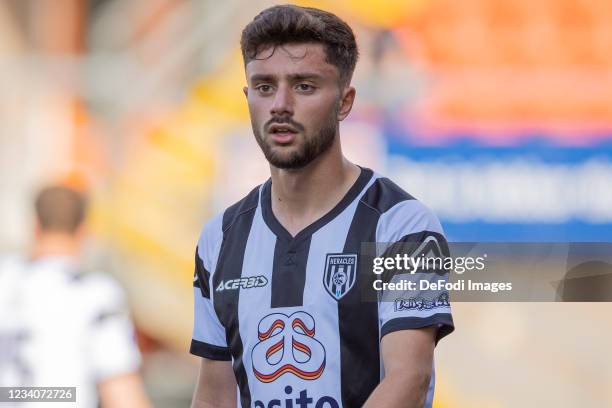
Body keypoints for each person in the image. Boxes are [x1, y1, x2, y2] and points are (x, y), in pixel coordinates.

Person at [190, 5, 454, 408]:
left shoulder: (403, 227)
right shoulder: (220, 238)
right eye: (264, 87)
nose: (280, 104)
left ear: (345, 102)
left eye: (304, 86)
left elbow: (409, 380)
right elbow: (214, 393)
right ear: (247, 98)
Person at [0, 185, 152, 408]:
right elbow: (121, 392)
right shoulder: (96, 294)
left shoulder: (6, 277)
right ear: (83, 231)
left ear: (35, 226)